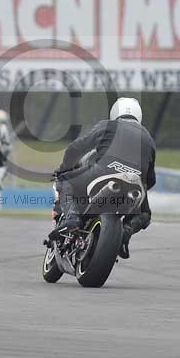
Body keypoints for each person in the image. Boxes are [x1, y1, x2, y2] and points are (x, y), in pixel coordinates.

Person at [52, 97, 156, 259]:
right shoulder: (149, 138)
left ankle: (72, 219)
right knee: (144, 214)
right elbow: (151, 179)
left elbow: (75, 148)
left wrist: (62, 169)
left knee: (66, 180)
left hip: (103, 172)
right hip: (135, 183)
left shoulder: (108, 125)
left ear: (115, 112)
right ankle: (125, 233)